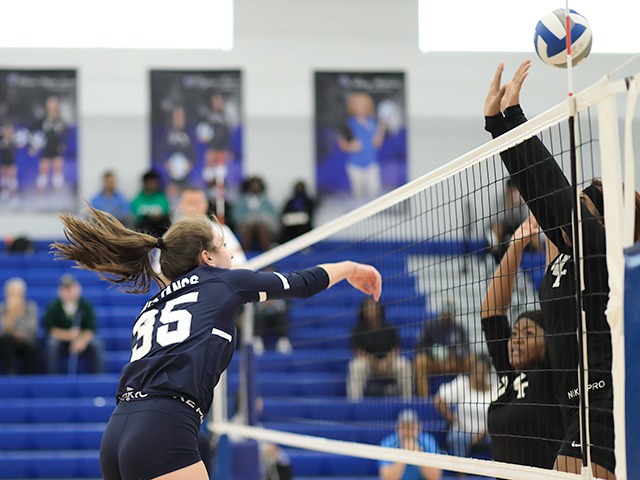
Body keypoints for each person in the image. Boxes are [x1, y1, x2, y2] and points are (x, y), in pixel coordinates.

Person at [52, 204, 382, 480]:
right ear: (207, 257)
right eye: (223, 245)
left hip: (118, 431)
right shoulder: (223, 281)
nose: (231, 254)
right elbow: (301, 283)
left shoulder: (153, 304)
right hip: (163, 427)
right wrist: (350, 267)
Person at [485, 60, 640, 478]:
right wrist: (498, 126)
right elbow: (540, 193)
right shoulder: (565, 258)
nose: (577, 202)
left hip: (603, 401)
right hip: (577, 406)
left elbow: (552, 191)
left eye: (586, 202)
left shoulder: (602, 250)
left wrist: (515, 118)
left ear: (603, 220)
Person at [480, 214, 564, 469]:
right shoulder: (508, 371)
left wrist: (552, 222)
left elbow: (558, 297)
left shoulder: (554, 370)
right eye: (514, 334)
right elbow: (491, 314)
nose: (516, 340)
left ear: (548, 341)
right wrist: (515, 245)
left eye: (527, 334)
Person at [347, 298, 412, 400]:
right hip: (368, 364)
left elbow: (396, 348)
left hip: (389, 363)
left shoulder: (389, 327)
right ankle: (355, 403)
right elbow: (358, 351)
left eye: (373, 307)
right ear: (363, 311)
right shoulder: (358, 330)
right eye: (368, 308)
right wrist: (376, 363)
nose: (371, 310)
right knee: (356, 366)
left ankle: (407, 401)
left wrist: (386, 361)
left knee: (403, 365)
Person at [433, 353, 495, 458]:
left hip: (487, 432)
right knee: (458, 438)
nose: (478, 373)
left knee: (500, 436)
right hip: (462, 430)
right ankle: (461, 473)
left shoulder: (495, 388)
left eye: (482, 369)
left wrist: (483, 433)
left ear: (488, 372)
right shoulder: (462, 384)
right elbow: (438, 400)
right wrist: (454, 419)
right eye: (476, 369)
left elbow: (498, 414)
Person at [43, 274, 105, 374]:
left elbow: (90, 329)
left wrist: (82, 341)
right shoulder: (53, 307)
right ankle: (52, 376)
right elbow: (51, 330)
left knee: (96, 344)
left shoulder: (86, 305)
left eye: (71, 289)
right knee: (52, 344)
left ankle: (98, 376)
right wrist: (68, 335)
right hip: (62, 341)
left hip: (81, 341)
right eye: (65, 289)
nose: (69, 292)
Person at [175, 186, 246, 268]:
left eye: (197, 202)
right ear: (181, 205)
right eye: (190, 203)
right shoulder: (173, 235)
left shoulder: (222, 230)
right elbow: (161, 268)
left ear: (206, 204)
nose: (193, 207)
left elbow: (240, 261)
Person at [338, 92, 386, 200]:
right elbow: (343, 144)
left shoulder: (372, 123)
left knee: (374, 194)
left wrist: (382, 128)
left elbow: (377, 144)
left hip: (371, 164)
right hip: (355, 166)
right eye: (358, 105)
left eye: (363, 105)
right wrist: (351, 146)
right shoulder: (348, 124)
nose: (361, 108)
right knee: (358, 195)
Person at [413, 308, 469, 398]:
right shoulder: (430, 326)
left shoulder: (459, 329)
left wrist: (453, 357)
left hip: (453, 363)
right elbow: (419, 347)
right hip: (434, 363)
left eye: (449, 311)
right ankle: (424, 400)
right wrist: (433, 351)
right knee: (420, 361)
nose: (447, 314)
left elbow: (466, 349)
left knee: (471, 361)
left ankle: (468, 397)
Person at [378, 409, 442, 480]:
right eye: (405, 427)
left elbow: (435, 477)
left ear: (419, 427)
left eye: (412, 427)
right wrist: (403, 456)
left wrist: (419, 454)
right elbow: (387, 478)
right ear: (397, 428)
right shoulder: (388, 443)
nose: (408, 432)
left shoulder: (428, 441)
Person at [0, 278, 39, 374]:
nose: (14, 296)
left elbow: (31, 331)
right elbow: (2, 331)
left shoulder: (30, 308)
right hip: (6, 343)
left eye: (17, 293)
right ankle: (9, 372)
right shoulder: (2, 309)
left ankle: (30, 377)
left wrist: (15, 333)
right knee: (7, 340)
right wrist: (11, 314)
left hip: (25, 342)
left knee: (32, 347)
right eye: (12, 293)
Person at [232, 176, 280, 252]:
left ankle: (267, 253)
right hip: (246, 225)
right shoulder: (241, 200)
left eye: (257, 185)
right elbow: (236, 216)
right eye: (253, 185)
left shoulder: (267, 200)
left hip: (264, 225)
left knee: (261, 228)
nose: (255, 187)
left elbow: (274, 215)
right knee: (248, 229)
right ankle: (245, 253)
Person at [31, 95, 66, 192]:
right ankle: (40, 194)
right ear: (47, 105)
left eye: (54, 103)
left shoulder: (60, 120)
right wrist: (34, 146)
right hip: (46, 147)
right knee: (43, 171)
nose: (52, 106)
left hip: (57, 147)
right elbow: (36, 133)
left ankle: (58, 193)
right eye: (50, 103)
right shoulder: (42, 119)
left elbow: (65, 133)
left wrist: (62, 144)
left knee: (57, 170)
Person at [162, 106, 196, 199]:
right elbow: (162, 149)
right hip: (171, 170)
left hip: (186, 170)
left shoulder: (190, 132)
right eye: (176, 117)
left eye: (180, 117)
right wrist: (166, 162)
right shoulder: (167, 132)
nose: (178, 120)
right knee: (172, 193)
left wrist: (191, 162)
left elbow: (195, 150)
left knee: (186, 194)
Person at [131, 169, 171, 238]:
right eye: (150, 182)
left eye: (154, 182)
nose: (152, 184)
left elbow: (165, 212)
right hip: (143, 231)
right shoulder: (137, 199)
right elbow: (136, 215)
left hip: (160, 229)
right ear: (145, 183)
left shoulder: (162, 198)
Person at [0, 123, 19, 203]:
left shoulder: (13, 141)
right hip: (4, 162)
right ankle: (4, 193)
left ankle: (14, 195)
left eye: (9, 131)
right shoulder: (2, 140)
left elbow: (16, 146)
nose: (7, 133)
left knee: (12, 178)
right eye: (5, 131)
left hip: (11, 162)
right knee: (4, 178)